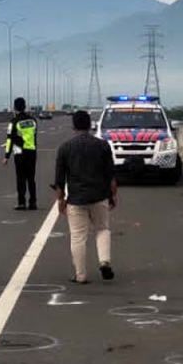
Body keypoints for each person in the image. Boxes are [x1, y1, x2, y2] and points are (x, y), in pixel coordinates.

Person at [52, 109, 117, 284]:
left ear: (74, 126)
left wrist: (60, 200)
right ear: (90, 125)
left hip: (76, 199)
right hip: (99, 196)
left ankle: (80, 275)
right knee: (102, 229)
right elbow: (111, 176)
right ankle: (104, 261)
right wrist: (112, 196)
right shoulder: (102, 145)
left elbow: (59, 179)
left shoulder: (65, 148)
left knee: (78, 236)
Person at [3, 97, 39, 210]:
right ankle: (33, 202)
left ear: (15, 108)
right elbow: (34, 136)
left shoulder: (14, 122)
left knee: (21, 178)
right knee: (31, 178)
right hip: (32, 152)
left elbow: (9, 139)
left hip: (20, 153)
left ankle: (21, 203)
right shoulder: (33, 121)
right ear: (25, 106)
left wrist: (6, 156)